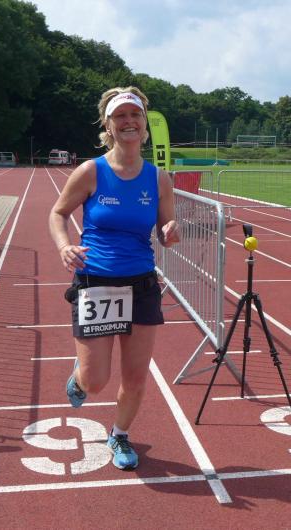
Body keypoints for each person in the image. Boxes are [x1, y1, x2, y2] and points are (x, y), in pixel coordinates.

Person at [48, 87, 181, 470]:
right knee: (95, 381)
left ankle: (119, 434)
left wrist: (171, 231)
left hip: (141, 285)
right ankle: (79, 379)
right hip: (96, 283)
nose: (128, 122)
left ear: (144, 125)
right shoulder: (91, 171)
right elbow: (58, 213)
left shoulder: (159, 179)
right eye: (120, 116)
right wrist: (64, 246)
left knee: (136, 378)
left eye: (134, 115)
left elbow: (166, 232)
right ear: (108, 126)